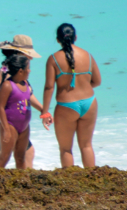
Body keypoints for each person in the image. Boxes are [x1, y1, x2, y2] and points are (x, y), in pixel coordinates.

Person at [0, 36, 49, 168]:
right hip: (1, 118)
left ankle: (23, 182)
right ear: (19, 52)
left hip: (9, 120)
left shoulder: (21, 73)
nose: (31, 58)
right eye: (28, 54)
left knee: (22, 154)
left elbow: (26, 96)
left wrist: (44, 111)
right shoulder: (6, 70)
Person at [42, 22, 101, 168]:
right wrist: (83, 86)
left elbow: (49, 87)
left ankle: (70, 184)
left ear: (58, 40)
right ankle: (92, 181)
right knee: (86, 146)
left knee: (66, 149)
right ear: (76, 37)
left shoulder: (53, 59)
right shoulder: (88, 55)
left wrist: (45, 111)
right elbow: (97, 81)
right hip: (89, 103)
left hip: (66, 106)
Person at [0, 53, 50, 168]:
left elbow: (30, 100)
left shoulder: (26, 84)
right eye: (28, 68)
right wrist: (6, 129)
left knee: (20, 157)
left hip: (24, 126)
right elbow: (1, 107)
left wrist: (45, 112)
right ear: (20, 71)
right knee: (5, 157)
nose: (30, 71)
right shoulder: (8, 85)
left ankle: (23, 184)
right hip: (10, 125)